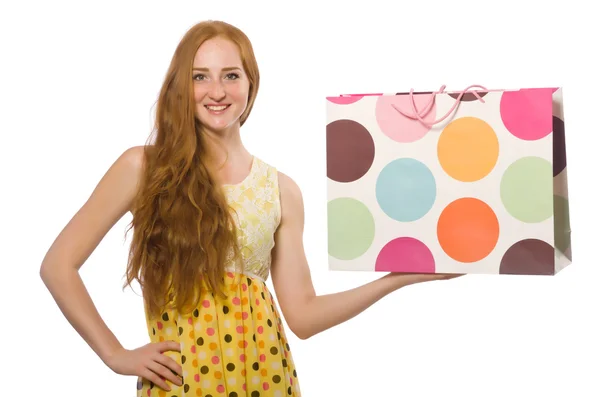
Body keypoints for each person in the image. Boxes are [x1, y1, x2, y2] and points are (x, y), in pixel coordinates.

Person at [39, 20, 461, 397]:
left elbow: (304, 315)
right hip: (183, 383)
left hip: (266, 378)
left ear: (251, 84)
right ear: (181, 87)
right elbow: (58, 265)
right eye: (200, 76)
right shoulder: (145, 168)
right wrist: (114, 354)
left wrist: (397, 278)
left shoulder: (281, 190)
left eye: (230, 76)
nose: (217, 91)